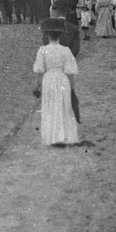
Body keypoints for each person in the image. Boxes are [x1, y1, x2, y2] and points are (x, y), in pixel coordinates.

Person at [33, 18, 81, 146]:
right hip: (62, 79)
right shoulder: (66, 50)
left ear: (47, 35)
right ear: (60, 35)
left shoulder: (42, 50)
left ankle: (52, 136)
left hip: (48, 79)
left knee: (50, 105)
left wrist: (37, 84)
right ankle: (65, 135)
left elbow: (39, 70)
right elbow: (70, 72)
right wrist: (72, 88)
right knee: (64, 105)